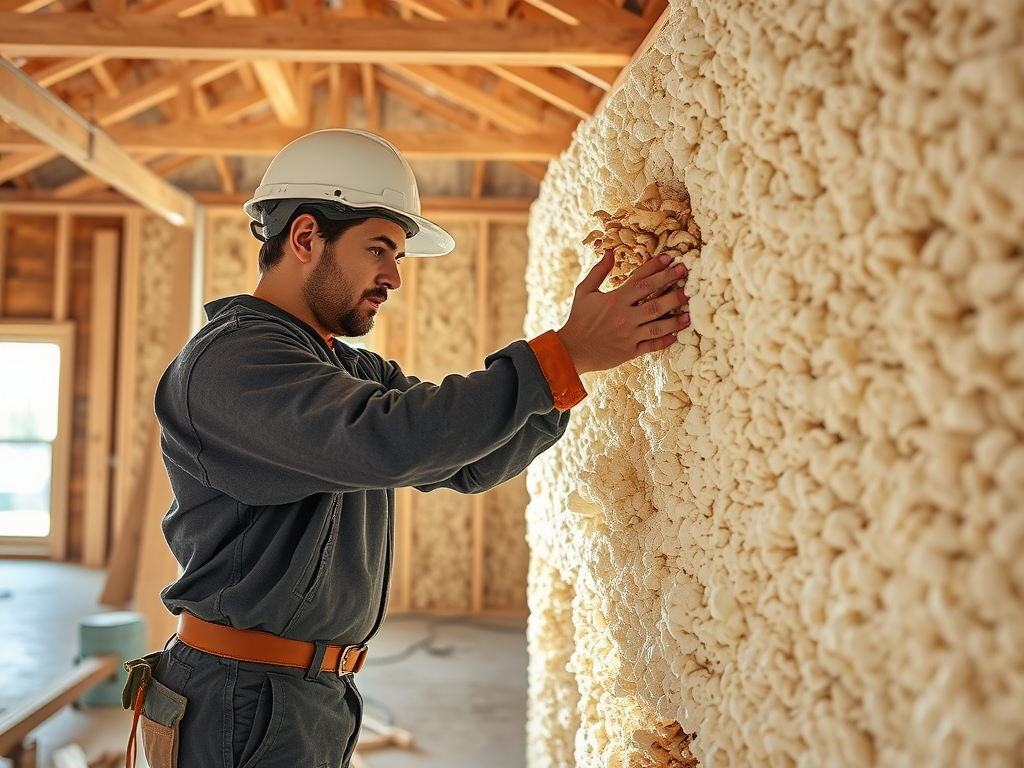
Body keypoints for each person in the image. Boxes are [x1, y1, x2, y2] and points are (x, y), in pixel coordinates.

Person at [128, 129, 690, 768]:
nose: (393, 275)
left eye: (396, 254)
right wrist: (559, 353)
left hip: (303, 693)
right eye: (379, 248)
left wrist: (570, 371)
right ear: (306, 237)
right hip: (238, 694)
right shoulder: (233, 361)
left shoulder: (346, 370)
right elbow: (391, 441)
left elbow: (466, 461)